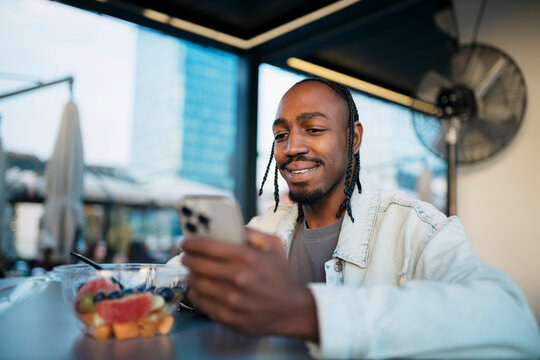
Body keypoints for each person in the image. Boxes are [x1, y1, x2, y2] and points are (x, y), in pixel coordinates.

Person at [176, 78, 540, 358]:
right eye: (280, 135)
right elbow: (171, 277)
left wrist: (305, 311)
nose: (292, 148)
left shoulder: (416, 228)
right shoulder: (263, 229)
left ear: (354, 138)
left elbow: (514, 323)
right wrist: (194, 286)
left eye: (314, 130)